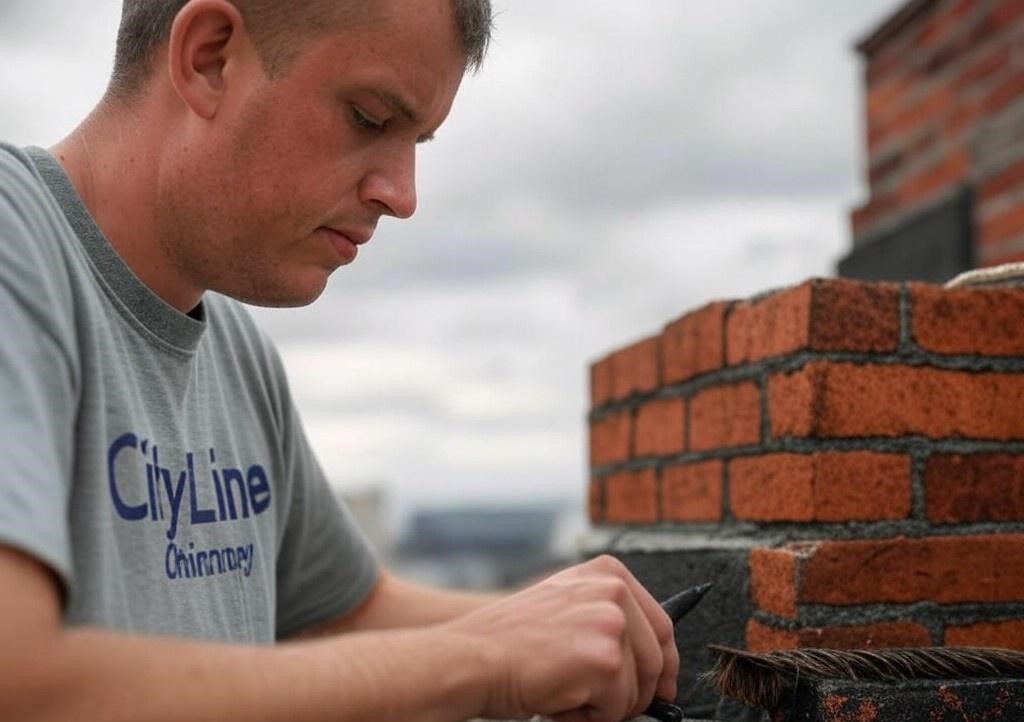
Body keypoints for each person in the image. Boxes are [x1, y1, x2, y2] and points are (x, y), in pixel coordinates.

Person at [0, 1, 679, 720]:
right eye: (369, 119)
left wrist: (565, 625)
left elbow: (343, 614)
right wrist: (488, 660)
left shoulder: (231, 347)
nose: (402, 195)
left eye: (420, 140)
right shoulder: (18, 246)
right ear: (208, 57)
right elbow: (20, 681)